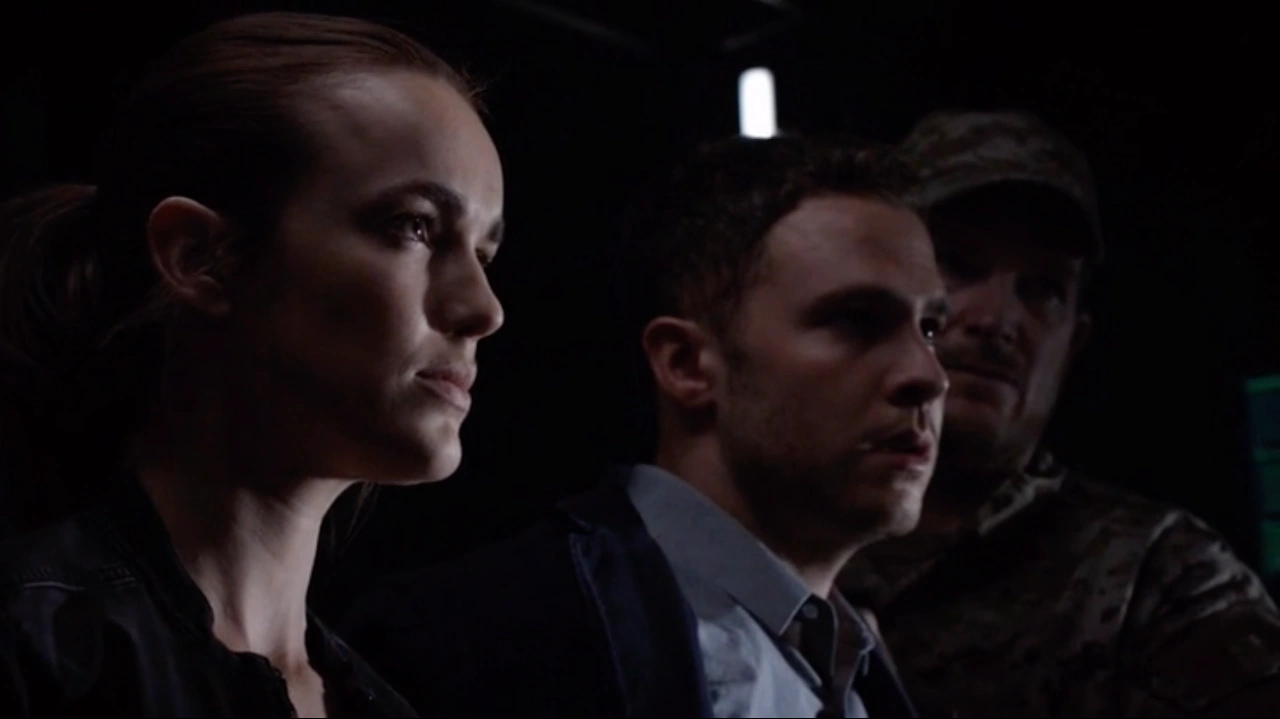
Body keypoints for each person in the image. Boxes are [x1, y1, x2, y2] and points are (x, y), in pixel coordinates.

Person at [0, 11, 504, 717]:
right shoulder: (30, 654)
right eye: (413, 226)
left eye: (483, 253)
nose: (484, 309)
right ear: (199, 256)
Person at [339, 134, 946, 717]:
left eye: (929, 329)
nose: (929, 375)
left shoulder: (868, 670)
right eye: (856, 320)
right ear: (686, 364)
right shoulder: (479, 633)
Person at [838, 110, 1280, 717]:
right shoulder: (771, 531)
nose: (997, 319)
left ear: (1073, 343)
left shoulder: (1160, 582)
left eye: (1042, 289)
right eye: (957, 263)